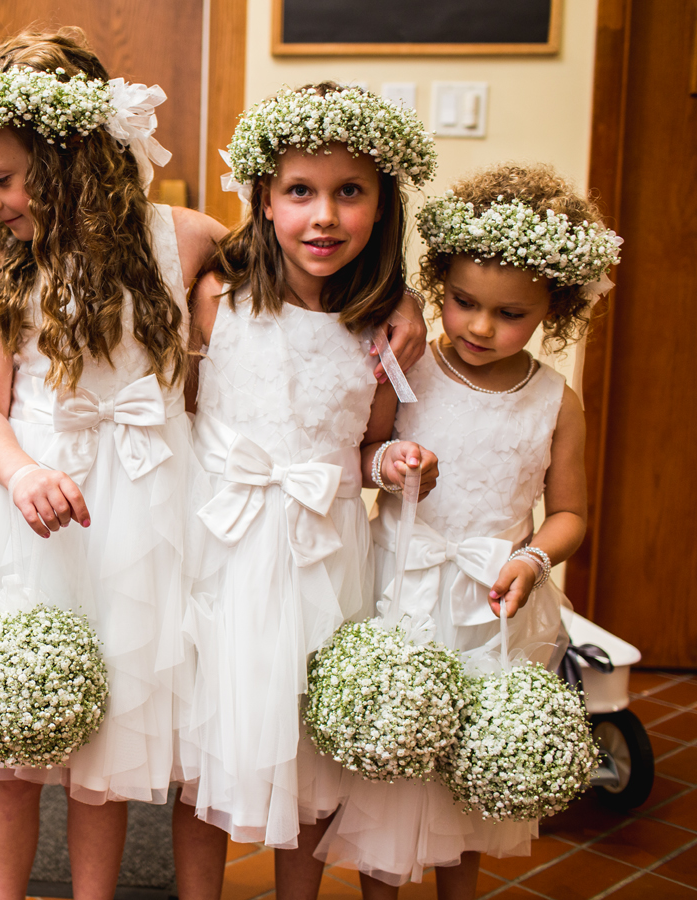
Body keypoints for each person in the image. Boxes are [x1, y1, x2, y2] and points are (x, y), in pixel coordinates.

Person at [0, 26, 229, 900]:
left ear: (76, 160)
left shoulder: (185, 238)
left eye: (2, 178)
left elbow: (302, 285)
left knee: (109, 746)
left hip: (148, 509)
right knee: (8, 747)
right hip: (32, 503)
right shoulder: (4, 264)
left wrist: (400, 308)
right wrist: (21, 474)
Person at [317, 163, 622, 898]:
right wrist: (391, 460)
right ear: (439, 285)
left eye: (510, 314)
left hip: (494, 610)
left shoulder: (555, 400)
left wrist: (533, 557)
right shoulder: (407, 370)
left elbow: (572, 514)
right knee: (389, 772)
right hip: (402, 594)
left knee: (469, 779)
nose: (481, 327)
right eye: (462, 302)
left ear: (558, 307)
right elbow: (358, 456)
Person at [178, 82, 437, 900]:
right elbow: (183, 412)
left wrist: (390, 467)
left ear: (381, 204)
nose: (324, 216)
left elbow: (367, 446)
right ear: (261, 196)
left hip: (325, 556)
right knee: (203, 751)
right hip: (221, 546)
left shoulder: (379, 326)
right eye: (300, 191)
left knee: (313, 753)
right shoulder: (218, 296)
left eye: (348, 192)